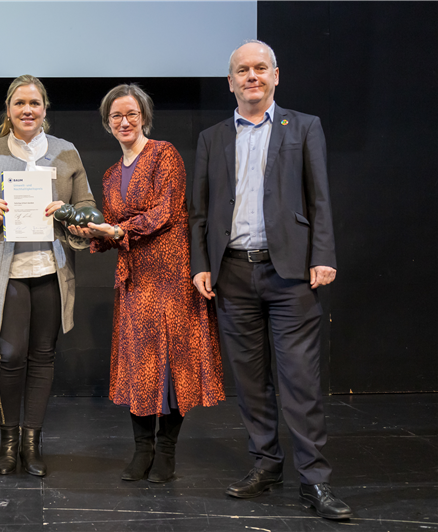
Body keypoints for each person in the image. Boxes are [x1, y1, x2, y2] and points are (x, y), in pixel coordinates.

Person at [189, 40, 352, 520]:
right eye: (243, 70)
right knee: (251, 380)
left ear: (276, 75)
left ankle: (315, 481)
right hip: (232, 272)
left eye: (260, 68)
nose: (252, 76)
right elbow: (200, 211)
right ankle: (265, 465)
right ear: (231, 81)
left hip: (291, 275)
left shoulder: (303, 127)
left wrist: (322, 255)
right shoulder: (212, 137)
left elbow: (319, 197)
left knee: (299, 381)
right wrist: (202, 264)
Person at [79, 84, 225, 483]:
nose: (124, 122)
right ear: (108, 124)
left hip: (172, 275)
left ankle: (166, 451)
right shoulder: (110, 176)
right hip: (134, 279)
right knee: (137, 366)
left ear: (143, 116)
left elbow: (164, 212)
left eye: (131, 114)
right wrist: (85, 229)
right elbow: (110, 232)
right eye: (116, 116)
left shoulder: (164, 154)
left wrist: (115, 229)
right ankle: (142, 450)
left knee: (173, 364)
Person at [0, 75, 96, 477]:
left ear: (45, 109)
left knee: (43, 356)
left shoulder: (66, 152)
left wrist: (68, 212)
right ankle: (9, 441)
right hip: (8, 271)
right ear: (9, 109)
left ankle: (33, 442)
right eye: (20, 103)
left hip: (51, 269)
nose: (27, 110)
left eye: (34, 103)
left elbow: (85, 203)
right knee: (13, 355)